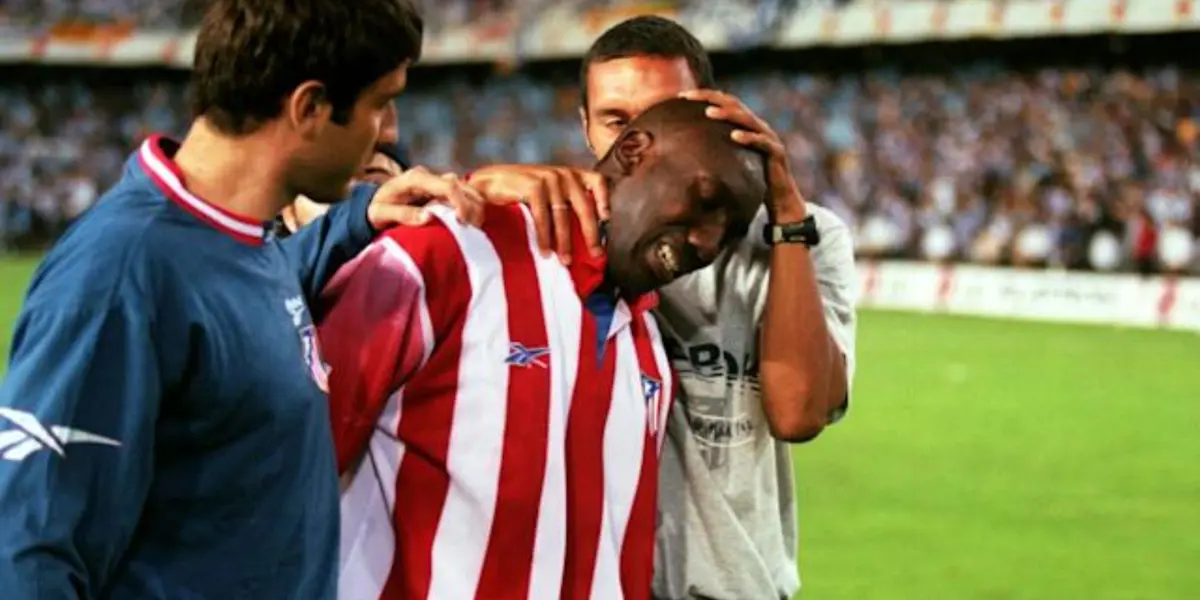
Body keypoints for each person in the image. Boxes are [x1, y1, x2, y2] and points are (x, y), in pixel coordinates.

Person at [0, 0, 484, 598]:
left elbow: (237, 300)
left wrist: (359, 217)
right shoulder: (118, 275)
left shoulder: (235, 239)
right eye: (380, 104)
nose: (390, 131)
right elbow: (33, 551)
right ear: (308, 107)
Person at [466, 15, 858, 600]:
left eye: (661, 116)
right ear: (588, 129)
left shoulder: (803, 233)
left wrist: (787, 218)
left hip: (735, 586)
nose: (639, 145)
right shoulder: (541, 227)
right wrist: (470, 190)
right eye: (617, 122)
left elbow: (799, 413)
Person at [319, 98, 766, 600]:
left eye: (728, 231)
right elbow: (292, 471)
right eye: (705, 198)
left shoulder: (650, 354)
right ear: (634, 151)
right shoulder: (445, 255)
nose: (708, 242)